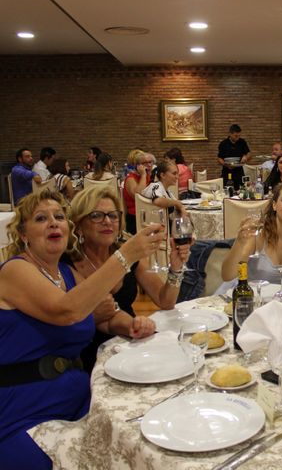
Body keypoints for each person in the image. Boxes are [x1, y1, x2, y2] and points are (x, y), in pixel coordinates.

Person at [0, 189, 162, 469]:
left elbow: (106, 315)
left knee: (144, 431)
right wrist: (125, 255)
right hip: (26, 409)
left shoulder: (64, 274)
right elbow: (68, 311)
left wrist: (133, 324)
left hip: (81, 396)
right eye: (41, 218)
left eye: (59, 217)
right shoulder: (14, 271)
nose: (53, 223)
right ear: (23, 234)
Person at [69, 186, 191, 370]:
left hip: (131, 341)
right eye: (96, 216)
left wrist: (176, 267)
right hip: (88, 354)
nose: (107, 221)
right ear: (78, 226)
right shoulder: (69, 264)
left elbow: (165, 301)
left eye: (113, 215)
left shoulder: (127, 253)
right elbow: (101, 314)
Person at [221, 181, 282, 285]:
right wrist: (239, 242)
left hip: (274, 301)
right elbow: (227, 276)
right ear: (274, 205)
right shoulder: (257, 238)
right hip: (242, 297)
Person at [123, 152, 153, 233]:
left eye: (150, 162)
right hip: (135, 217)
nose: (149, 165)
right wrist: (143, 175)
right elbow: (139, 195)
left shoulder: (150, 177)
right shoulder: (130, 178)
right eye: (145, 163)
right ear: (137, 165)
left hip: (149, 214)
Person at [217, 123, 251, 190]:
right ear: (230, 134)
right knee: (227, 191)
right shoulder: (223, 144)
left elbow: (249, 154)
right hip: (227, 171)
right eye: (236, 136)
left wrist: (246, 157)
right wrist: (225, 164)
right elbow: (219, 158)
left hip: (239, 172)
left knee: (241, 191)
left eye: (239, 136)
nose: (237, 138)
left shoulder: (242, 142)